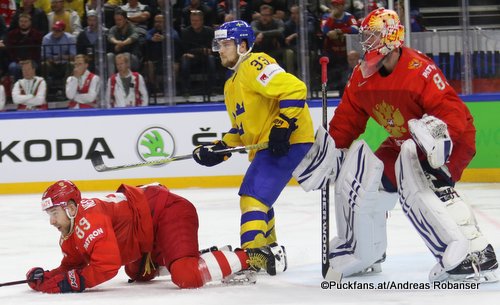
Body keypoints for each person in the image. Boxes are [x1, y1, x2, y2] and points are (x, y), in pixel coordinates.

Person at [327, 8, 498, 282]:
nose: (366, 42)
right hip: (402, 144)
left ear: (392, 38)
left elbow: (450, 113)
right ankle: (367, 251)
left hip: (450, 138)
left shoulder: (419, 70)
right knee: (369, 182)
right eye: (366, 36)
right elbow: (347, 120)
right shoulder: (362, 77)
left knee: (430, 185)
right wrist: (331, 150)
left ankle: (477, 254)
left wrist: (439, 150)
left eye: (373, 36)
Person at [192, 20, 314, 270]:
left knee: (252, 197)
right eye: (218, 44)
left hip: (289, 141)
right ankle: (270, 251)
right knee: (259, 198)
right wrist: (219, 149)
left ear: (243, 45)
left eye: (226, 44)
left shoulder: (255, 63)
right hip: (272, 143)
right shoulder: (231, 84)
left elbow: (295, 88)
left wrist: (284, 124)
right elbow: (240, 129)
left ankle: (254, 255)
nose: (221, 50)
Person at [25, 180, 284, 293]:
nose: (52, 220)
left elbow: (106, 267)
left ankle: (255, 256)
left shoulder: (88, 220)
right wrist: (47, 277)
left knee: (187, 277)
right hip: (146, 233)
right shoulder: (69, 230)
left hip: (167, 213)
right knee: (139, 274)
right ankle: (200, 257)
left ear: (70, 208)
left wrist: (67, 284)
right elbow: (73, 265)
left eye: (55, 212)